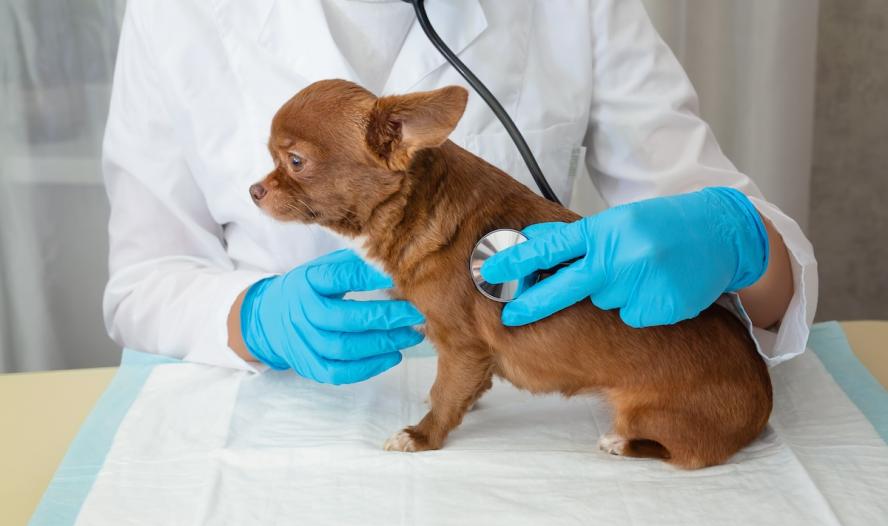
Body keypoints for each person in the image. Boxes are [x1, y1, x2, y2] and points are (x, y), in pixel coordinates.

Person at [103, 0, 816, 384]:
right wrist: (252, 318)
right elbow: (141, 283)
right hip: (285, 420)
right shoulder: (175, 13)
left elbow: (769, 286)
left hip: (527, 402)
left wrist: (740, 241)